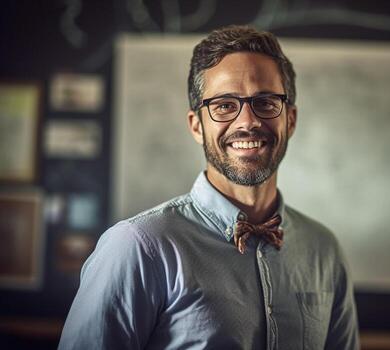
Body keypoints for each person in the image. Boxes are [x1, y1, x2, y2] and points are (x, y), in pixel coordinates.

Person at [59, 25, 359, 350]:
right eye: (225, 105)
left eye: (266, 102)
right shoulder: (137, 248)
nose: (247, 122)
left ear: (290, 119)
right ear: (196, 126)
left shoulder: (325, 251)